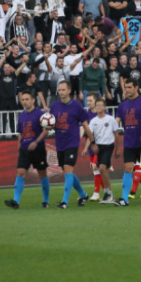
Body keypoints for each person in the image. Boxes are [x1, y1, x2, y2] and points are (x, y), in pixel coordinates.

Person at [49, 80, 94, 208]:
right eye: (59, 90)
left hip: (72, 142)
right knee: (67, 172)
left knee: (68, 169)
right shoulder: (54, 106)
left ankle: (65, 201)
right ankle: (83, 194)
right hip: (60, 143)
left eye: (63, 90)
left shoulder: (77, 106)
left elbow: (85, 125)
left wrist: (92, 141)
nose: (61, 92)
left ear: (69, 90)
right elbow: (51, 123)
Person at [4, 91, 51, 209]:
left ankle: (46, 201)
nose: (24, 102)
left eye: (27, 99)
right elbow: (20, 132)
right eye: (23, 100)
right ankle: (16, 201)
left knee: (42, 174)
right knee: (20, 172)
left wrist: (36, 142)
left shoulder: (40, 114)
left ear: (33, 100)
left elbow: (46, 131)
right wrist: (19, 146)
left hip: (38, 148)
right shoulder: (21, 115)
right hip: (25, 149)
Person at [86, 98, 119, 204]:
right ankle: (107, 192)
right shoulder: (93, 121)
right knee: (102, 170)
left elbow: (116, 134)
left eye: (101, 105)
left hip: (108, 146)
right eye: (97, 105)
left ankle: (109, 194)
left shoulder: (110, 119)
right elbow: (90, 134)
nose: (98, 107)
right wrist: (92, 145)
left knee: (101, 168)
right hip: (99, 147)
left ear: (105, 107)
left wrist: (117, 149)